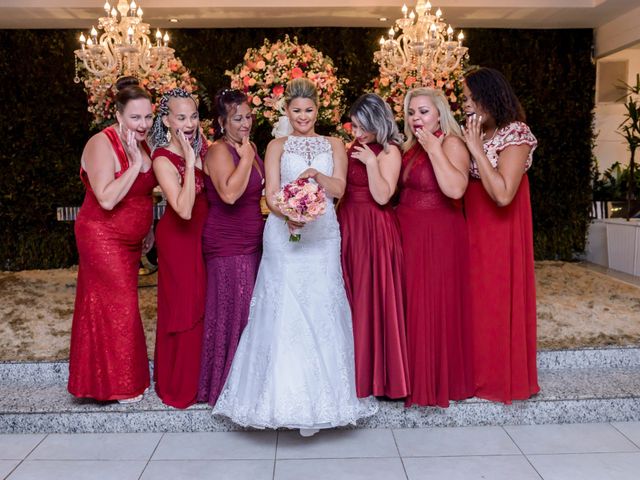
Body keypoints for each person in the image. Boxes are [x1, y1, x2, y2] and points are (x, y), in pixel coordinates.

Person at [213, 78, 377, 435]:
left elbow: (340, 190)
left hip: (323, 236)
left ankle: (325, 401)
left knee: (320, 305)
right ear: (286, 111)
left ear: (319, 110)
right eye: (296, 110)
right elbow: (271, 193)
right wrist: (289, 213)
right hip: (283, 234)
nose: (303, 116)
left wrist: (317, 177)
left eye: (309, 110)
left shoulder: (334, 143)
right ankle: (277, 398)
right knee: (282, 308)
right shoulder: (275, 145)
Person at [68, 76, 156, 403]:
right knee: (120, 305)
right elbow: (106, 198)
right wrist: (134, 165)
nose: (143, 123)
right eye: (135, 117)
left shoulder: (145, 142)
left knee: (111, 305)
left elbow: (143, 194)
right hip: (102, 235)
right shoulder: (100, 144)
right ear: (118, 115)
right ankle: (120, 384)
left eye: (148, 116)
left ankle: (99, 381)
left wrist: (147, 228)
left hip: (131, 239)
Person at [461, 67, 540, 403]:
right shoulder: (476, 128)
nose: (464, 104)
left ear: (487, 98)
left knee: (495, 297)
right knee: (471, 299)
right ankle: (471, 374)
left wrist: (477, 150)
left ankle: (495, 377)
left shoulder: (515, 133)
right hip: (470, 223)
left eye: (468, 98)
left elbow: (504, 193)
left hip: (500, 228)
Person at [397, 87, 474, 408]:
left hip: (439, 234)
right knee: (411, 305)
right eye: (412, 112)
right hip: (408, 232)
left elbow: (455, 189)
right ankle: (408, 378)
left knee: (432, 304)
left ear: (440, 113)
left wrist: (435, 150)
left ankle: (434, 381)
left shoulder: (451, 142)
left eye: (424, 111)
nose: (417, 118)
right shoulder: (410, 147)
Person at [337, 93, 409, 399]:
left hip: (374, 229)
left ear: (378, 122)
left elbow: (383, 196)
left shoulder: (390, 152)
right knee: (348, 296)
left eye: (362, 126)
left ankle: (375, 379)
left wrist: (370, 162)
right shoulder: (352, 147)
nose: (356, 133)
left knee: (371, 299)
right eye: (354, 126)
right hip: (348, 225)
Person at [197, 89, 265, 406]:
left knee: (251, 315)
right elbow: (229, 194)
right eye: (238, 118)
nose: (245, 123)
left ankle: (248, 387)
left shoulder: (246, 147)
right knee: (233, 315)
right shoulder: (220, 151)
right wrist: (249, 156)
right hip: (228, 244)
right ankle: (226, 388)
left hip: (253, 244)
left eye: (248, 116)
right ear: (222, 121)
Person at [149, 88, 208, 409]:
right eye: (181, 117)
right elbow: (184, 208)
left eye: (194, 116)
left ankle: (202, 380)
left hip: (203, 238)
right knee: (184, 308)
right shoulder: (162, 158)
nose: (189, 123)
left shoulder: (202, 148)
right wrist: (188, 162)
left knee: (202, 304)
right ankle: (180, 384)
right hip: (179, 241)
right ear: (167, 120)